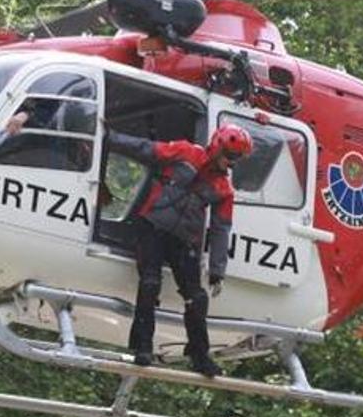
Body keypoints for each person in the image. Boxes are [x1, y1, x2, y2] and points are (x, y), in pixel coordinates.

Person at [106, 123, 253, 376]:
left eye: (237, 159)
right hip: (152, 226)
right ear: (218, 147)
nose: (232, 164)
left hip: (184, 241)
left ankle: (199, 354)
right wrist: (110, 137)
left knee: (197, 298)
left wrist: (217, 270)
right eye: (230, 157)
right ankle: (142, 347)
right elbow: (145, 149)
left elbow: (221, 230)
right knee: (150, 282)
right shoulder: (185, 152)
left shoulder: (223, 190)